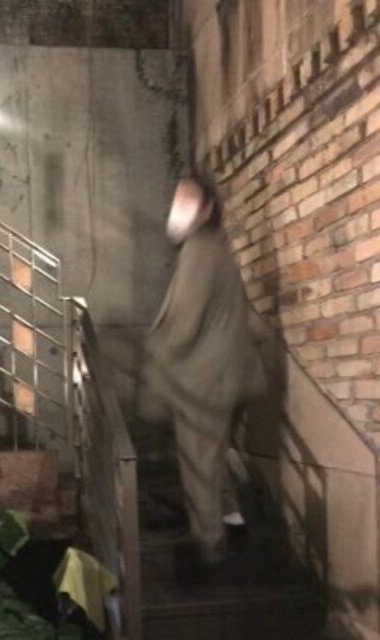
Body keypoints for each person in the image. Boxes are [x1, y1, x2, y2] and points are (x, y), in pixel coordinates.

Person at [144, 175, 268, 566]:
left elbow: (185, 323)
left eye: (187, 201)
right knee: (213, 457)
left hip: (203, 383)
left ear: (207, 209)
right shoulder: (221, 252)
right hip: (230, 378)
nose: (177, 210)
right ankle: (231, 519)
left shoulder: (198, 251)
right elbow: (252, 323)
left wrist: (154, 369)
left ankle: (209, 546)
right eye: (176, 201)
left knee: (198, 464)